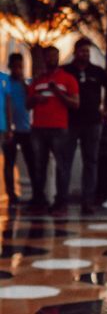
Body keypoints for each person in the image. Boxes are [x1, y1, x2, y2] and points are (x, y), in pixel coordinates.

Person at [63, 37, 107, 214]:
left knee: (91, 162)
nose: (84, 54)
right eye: (81, 51)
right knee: (65, 162)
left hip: (93, 123)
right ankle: (62, 200)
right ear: (75, 52)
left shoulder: (97, 71)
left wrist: (106, 109)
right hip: (70, 123)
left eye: (87, 51)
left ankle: (88, 202)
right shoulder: (66, 71)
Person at [27, 46, 79, 213]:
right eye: (48, 56)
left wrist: (57, 91)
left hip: (59, 129)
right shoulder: (38, 80)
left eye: (54, 56)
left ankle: (61, 202)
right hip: (38, 129)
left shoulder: (67, 79)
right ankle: (39, 201)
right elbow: (27, 104)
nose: (51, 59)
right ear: (44, 58)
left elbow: (75, 104)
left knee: (61, 166)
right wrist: (35, 99)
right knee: (38, 166)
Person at [3, 52, 36, 205]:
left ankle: (36, 194)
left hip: (26, 129)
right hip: (10, 130)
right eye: (15, 66)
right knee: (9, 163)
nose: (17, 70)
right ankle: (12, 195)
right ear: (10, 67)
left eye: (20, 67)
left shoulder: (26, 84)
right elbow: (6, 104)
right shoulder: (5, 83)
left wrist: (24, 82)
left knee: (32, 162)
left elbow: (31, 101)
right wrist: (8, 127)